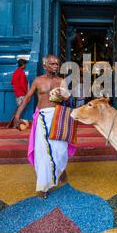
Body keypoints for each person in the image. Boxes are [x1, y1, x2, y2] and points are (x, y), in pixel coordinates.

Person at [14, 54, 70, 199]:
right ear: (45, 65)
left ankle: (61, 168)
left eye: (57, 64)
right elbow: (27, 98)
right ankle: (43, 186)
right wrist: (17, 116)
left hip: (58, 117)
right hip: (42, 119)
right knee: (43, 152)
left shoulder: (61, 80)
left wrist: (62, 95)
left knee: (61, 149)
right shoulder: (38, 81)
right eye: (52, 64)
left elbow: (68, 98)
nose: (56, 66)